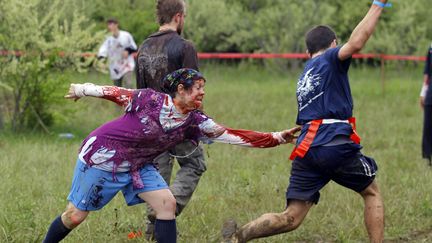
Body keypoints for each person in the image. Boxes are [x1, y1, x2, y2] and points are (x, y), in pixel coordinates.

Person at [43, 68, 300, 243]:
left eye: (203, 89)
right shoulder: (148, 100)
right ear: (180, 88)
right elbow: (114, 92)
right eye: (198, 88)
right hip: (104, 157)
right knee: (75, 216)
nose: (202, 93)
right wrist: (81, 88)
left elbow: (233, 135)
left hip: (138, 164)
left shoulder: (195, 122)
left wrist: (277, 137)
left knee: (167, 204)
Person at [222, 1, 389, 242]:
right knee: (371, 192)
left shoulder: (306, 71)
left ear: (307, 52)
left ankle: (239, 236)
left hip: (306, 145)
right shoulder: (332, 58)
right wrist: (377, 5)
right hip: (333, 143)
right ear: (332, 44)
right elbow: (357, 43)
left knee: (291, 217)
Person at [135, 0, 204, 238]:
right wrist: (199, 123)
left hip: (152, 122)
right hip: (180, 122)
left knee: (157, 176)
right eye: (183, 16)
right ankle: (168, 207)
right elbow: (194, 91)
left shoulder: (143, 47)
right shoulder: (184, 47)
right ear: (178, 16)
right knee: (195, 164)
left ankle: (153, 230)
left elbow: (140, 92)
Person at [97, 18, 137, 88]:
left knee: (129, 84)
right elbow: (102, 51)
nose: (110, 27)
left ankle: (132, 99)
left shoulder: (126, 35)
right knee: (117, 89)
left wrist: (128, 50)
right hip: (115, 68)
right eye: (108, 25)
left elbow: (134, 47)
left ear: (116, 25)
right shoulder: (107, 39)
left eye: (111, 24)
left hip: (127, 65)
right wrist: (101, 61)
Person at [420, 43, 432, 166]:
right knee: (428, 125)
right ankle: (428, 156)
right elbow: (427, 73)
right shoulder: (431, 48)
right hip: (430, 94)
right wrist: (423, 92)